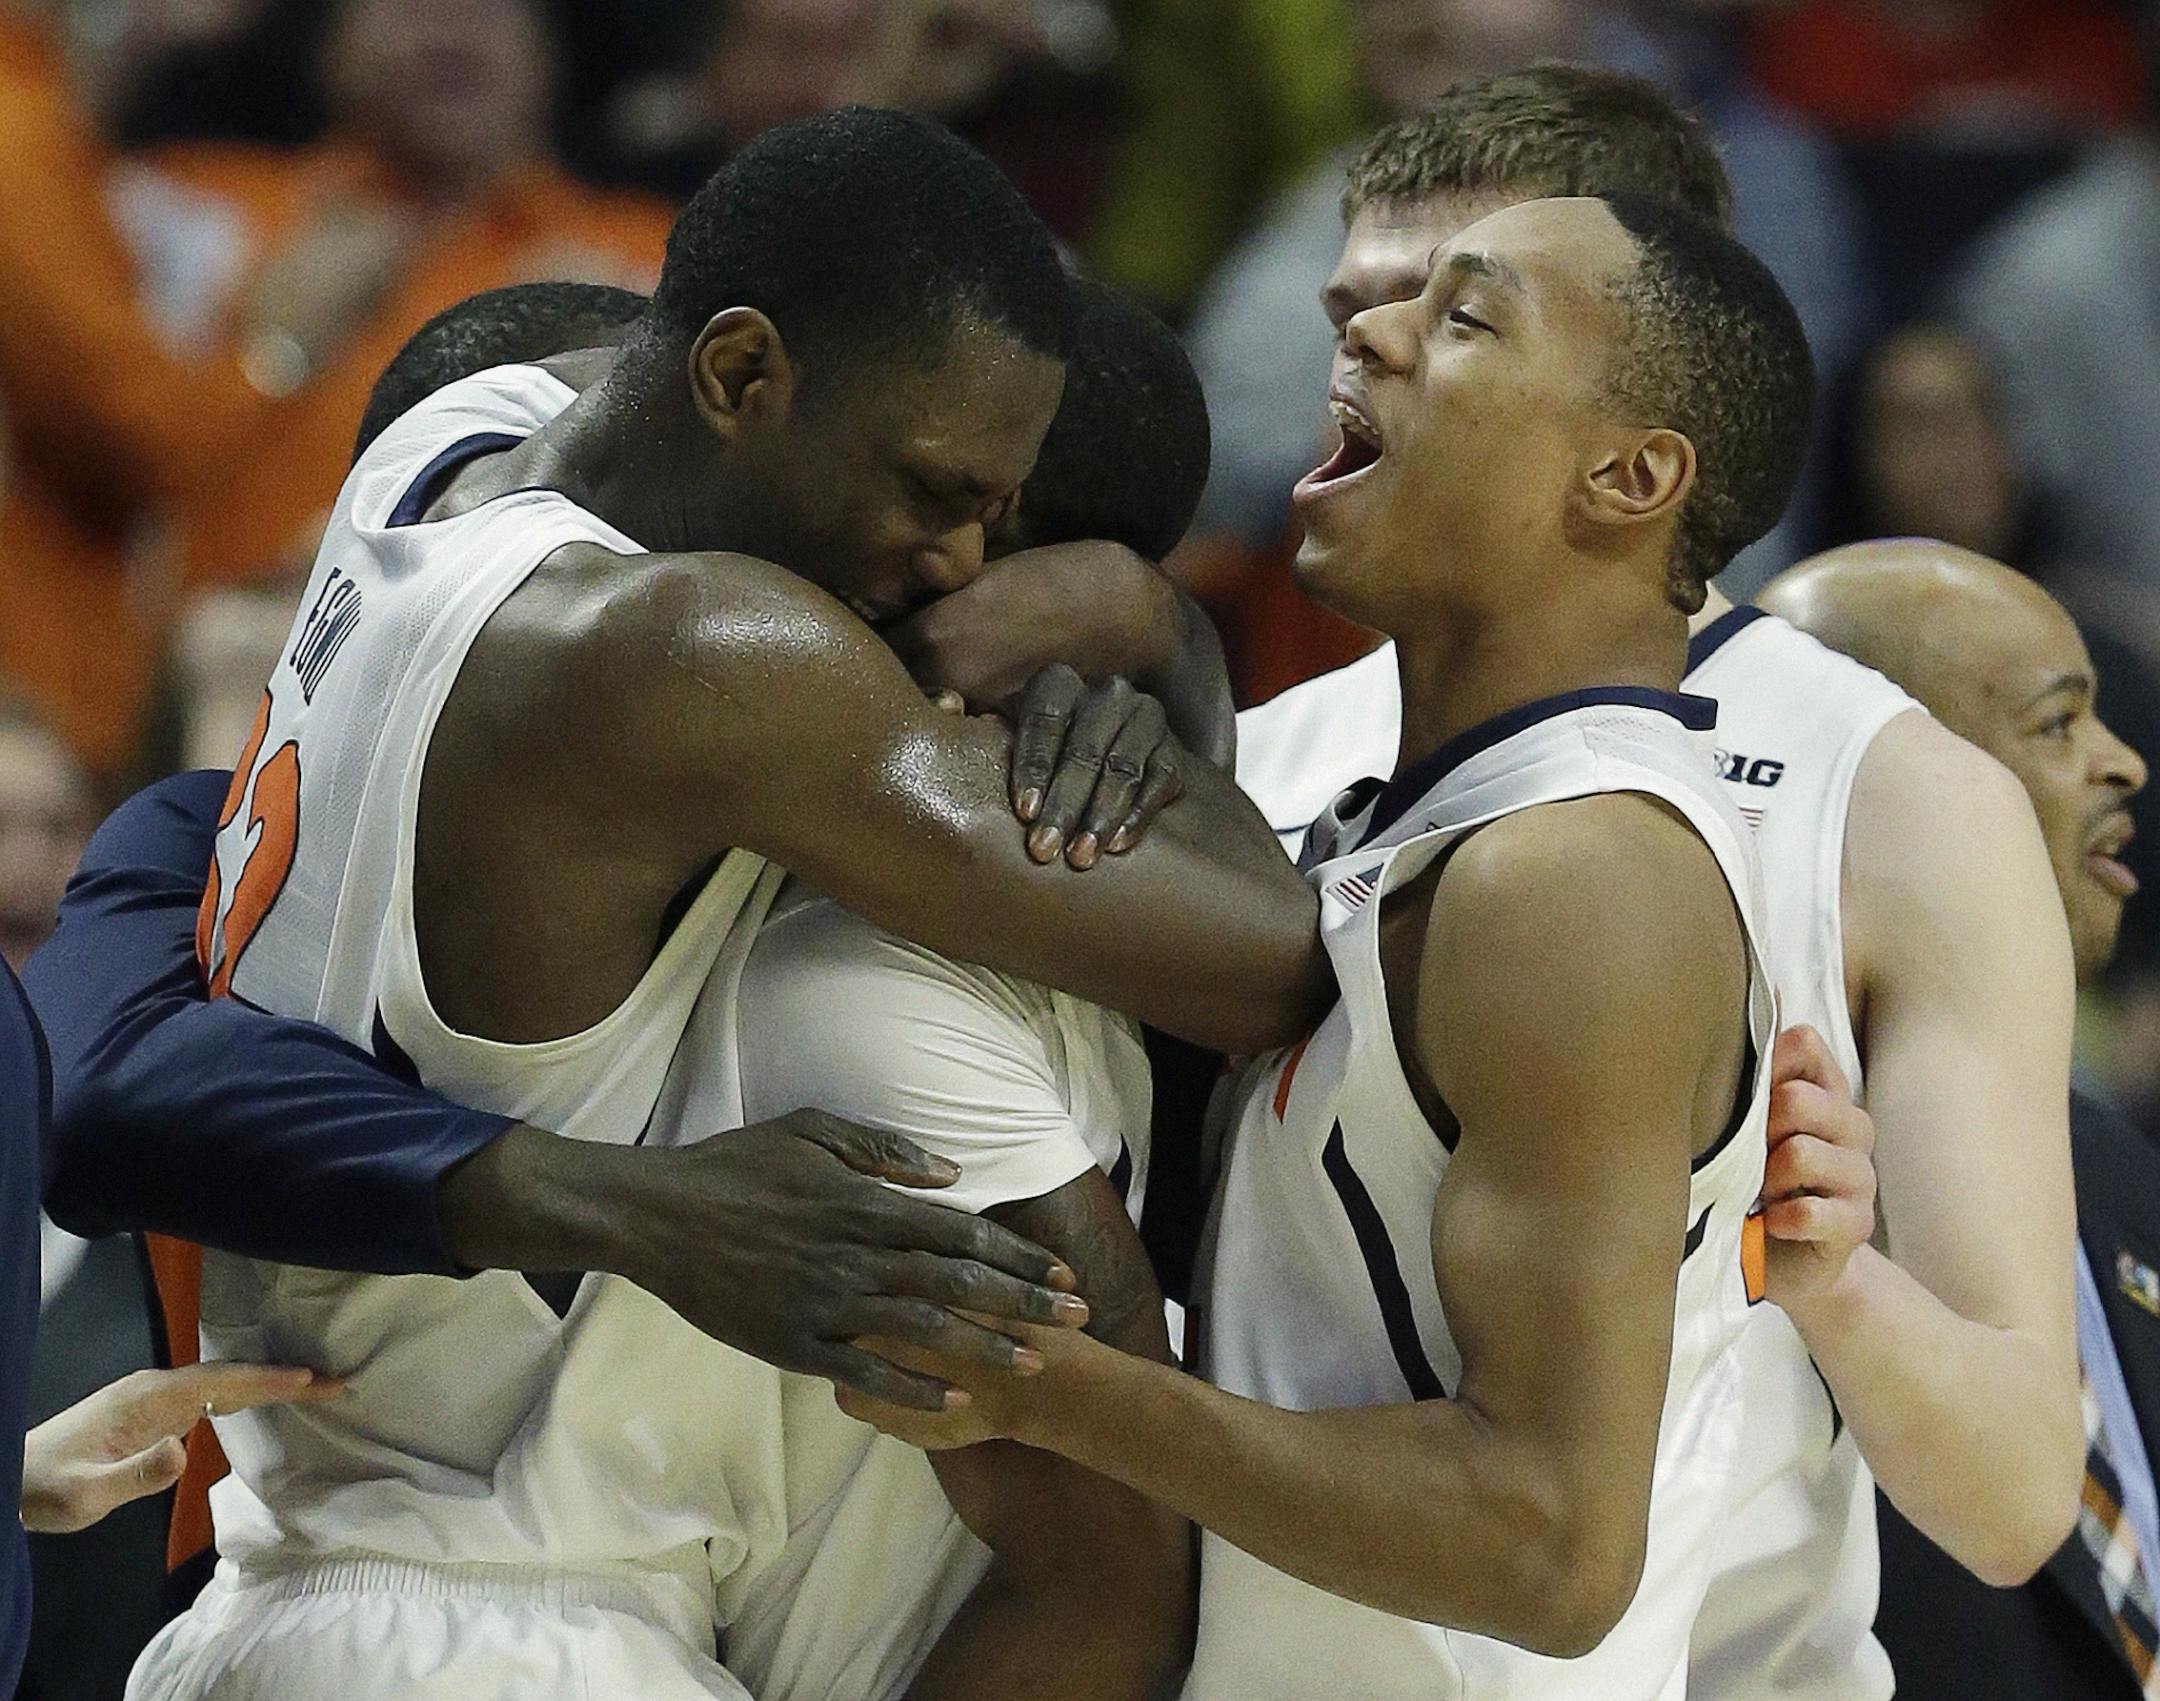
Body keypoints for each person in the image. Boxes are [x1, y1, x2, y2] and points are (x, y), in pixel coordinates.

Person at [91, 106, 1315, 1697]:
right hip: (497, 1635)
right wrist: (1152, 632)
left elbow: (615, 337)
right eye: (934, 492)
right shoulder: (692, 655)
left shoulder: (446, 445)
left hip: (296, 1582)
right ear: (737, 377)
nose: (956, 565)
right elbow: (1273, 965)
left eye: (1000, 527)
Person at [838, 190, 1806, 1700]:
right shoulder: (1416, 825)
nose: (1369, 327)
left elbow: (1547, 1545)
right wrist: (1155, 640)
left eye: (1466, 319)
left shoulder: (1583, 874)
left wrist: (1043, 1384)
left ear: (1631, 476)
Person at [1219, 63, 2080, 1700]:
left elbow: (2021, 1496)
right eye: (1356, 305)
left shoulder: (1897, 796)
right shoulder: (1269, 756)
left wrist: (1825, 1271)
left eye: (1456, 308)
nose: (1365, 350)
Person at [1755, 539, 2152, 1699]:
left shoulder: (2116, 1165)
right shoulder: (1744, 1154)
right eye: (2056, 724)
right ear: (1892, 776)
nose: (2123, 763)